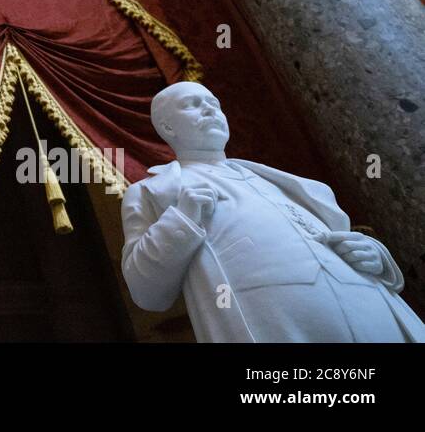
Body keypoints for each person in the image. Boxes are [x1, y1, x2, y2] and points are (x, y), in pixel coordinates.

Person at [121, 81, 423, 342]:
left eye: (214, 103)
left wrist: (375, 255)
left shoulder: (287, 182)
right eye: (192, 104)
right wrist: (183, 218)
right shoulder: (152, 191)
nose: (211, 110)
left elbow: (340, 233)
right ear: (168, 127)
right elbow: (145, 289)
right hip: (274, 316)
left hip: (369, 302)